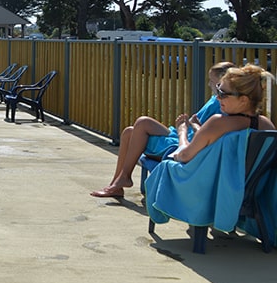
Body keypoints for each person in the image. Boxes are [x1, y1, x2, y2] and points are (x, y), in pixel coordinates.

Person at [91, 61, 236, 198]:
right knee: (129, 131)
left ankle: (123, 179)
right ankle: (117, 183)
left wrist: (189, 126)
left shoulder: (222, 105)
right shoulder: (216, 99)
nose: (209, 84)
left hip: (185, 143)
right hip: (183, 134)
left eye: (212, 81)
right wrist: (189, 123)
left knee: (139, 126)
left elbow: (207, 134)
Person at [169, 64, 275, 163]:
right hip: (249, 182)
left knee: (166, 165)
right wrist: (198, 128)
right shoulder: (266, 126)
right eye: (218, 90)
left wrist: (182, 132)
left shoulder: (217, 123)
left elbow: (184, 156)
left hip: (210, 182)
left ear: (243, 100)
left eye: (223, 94)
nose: (218, 97)